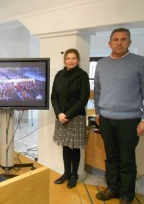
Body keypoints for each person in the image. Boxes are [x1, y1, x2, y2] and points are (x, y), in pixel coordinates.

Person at [94, 28, 144, 204]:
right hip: (106, 119)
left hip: (129, 121)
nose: (119, 43)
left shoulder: (141, 62)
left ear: (129, 42)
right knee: (112, 157)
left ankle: (127, 195)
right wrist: (98, 112)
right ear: (109, 43)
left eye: (123, 39)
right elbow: (98, 91)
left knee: (127, 160)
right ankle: (113, 188)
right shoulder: (101, 64)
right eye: (115, 39)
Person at [51, 48, 90, 188]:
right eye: (68, 58)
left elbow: (83, 99)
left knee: (74, 148)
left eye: (73, 58)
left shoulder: (83, 75)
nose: (71, 61)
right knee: (65, 147)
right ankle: (66, 173)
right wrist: (59, 114)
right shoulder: (59, 75)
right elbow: (54, 96)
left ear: (78, 60)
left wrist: (67, 115)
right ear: (64, 60)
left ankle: (74, 175)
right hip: (60, 116)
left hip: (76, 116)